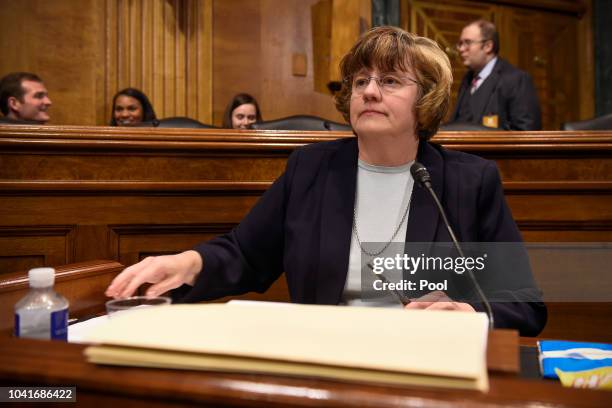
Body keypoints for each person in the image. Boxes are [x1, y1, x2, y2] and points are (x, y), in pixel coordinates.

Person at [106, 26, 546, 336]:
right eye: (361, 81)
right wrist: (189, 263)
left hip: (422, 370)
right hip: (324, 360)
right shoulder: (312, 169)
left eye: (390, 80)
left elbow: (524, 302)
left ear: (426, 99)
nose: (369, 91)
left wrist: (467, 311)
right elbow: (245, 253)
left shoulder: (469, 181)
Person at [449, 20, 541, 131]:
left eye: (467, 43)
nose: (461, 49)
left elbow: (526, 132)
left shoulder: (516, 79)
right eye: (460, 43)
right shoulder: (467, 78)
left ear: (488, 46)